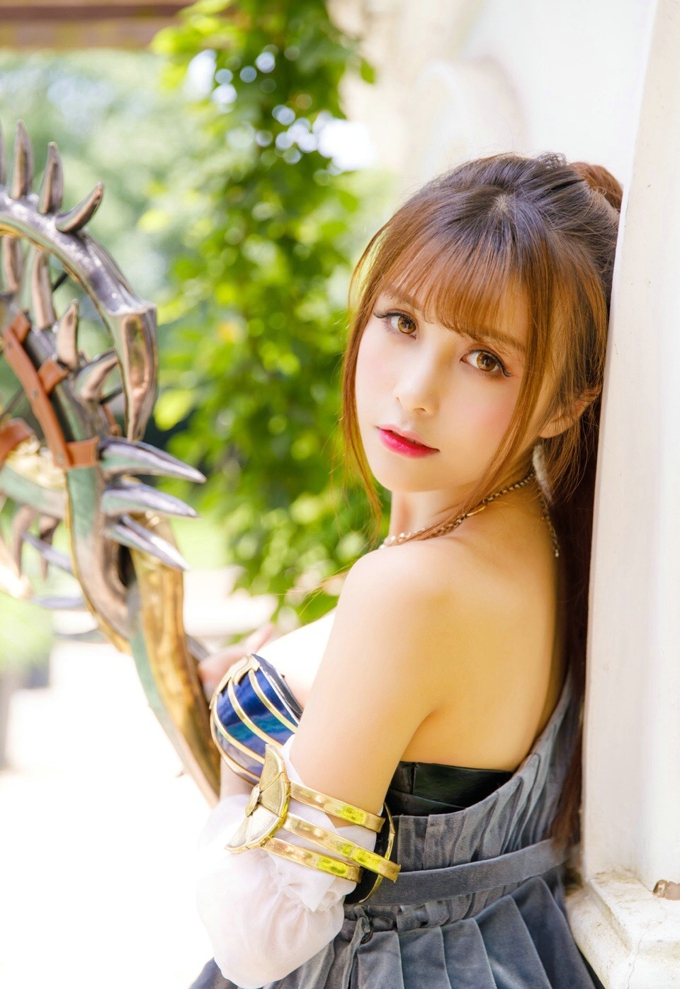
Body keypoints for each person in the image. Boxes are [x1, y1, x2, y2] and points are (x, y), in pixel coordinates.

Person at [189, 151, 621, 989]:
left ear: (569, 402)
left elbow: (264, 933)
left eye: (486, 359)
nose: (416, 390)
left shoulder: (412, 589)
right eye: (401, 321)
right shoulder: (541, 539)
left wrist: (243, 766)